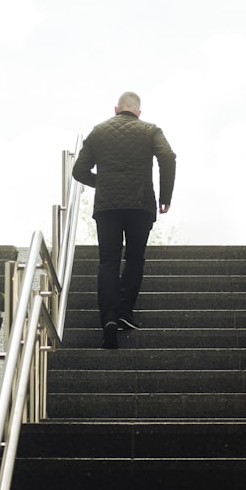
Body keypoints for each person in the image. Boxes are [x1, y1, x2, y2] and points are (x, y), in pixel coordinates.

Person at [72, 91, 176, 350]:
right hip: (141, 205)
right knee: (134, 258)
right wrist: (165, 196)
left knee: (108, 260)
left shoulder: (99, 131)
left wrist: (104, 184)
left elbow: (78, 170)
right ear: (138, 112)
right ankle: (124, 313)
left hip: (107, 206)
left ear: (117, 109)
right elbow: (168, 158)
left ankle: (108, 318)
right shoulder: (151, 130)